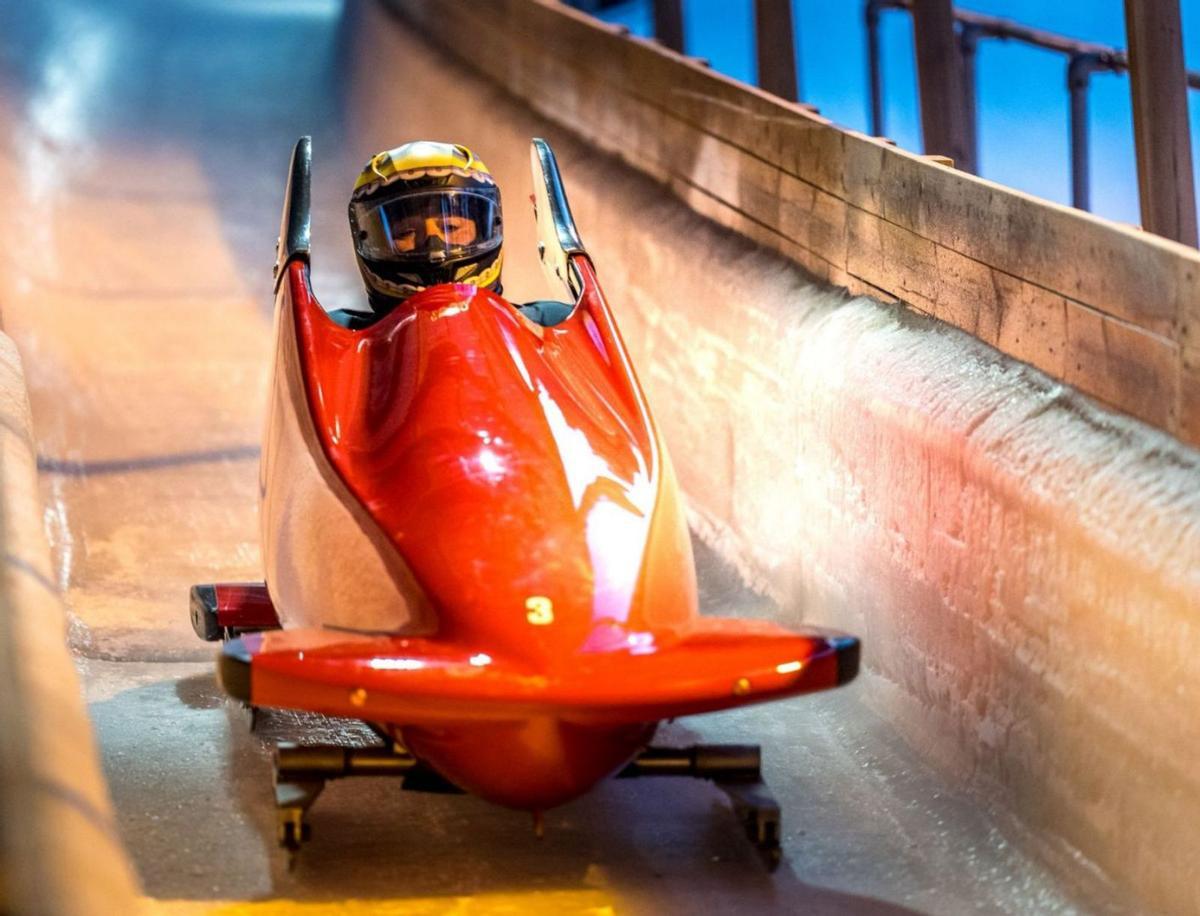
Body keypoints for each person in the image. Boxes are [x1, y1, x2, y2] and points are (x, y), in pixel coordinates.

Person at [341, 141, 504, 325]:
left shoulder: (540, 323)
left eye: (451, 227)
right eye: (406, 232)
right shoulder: (334, 336)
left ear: (487, 227)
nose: (434, 250)